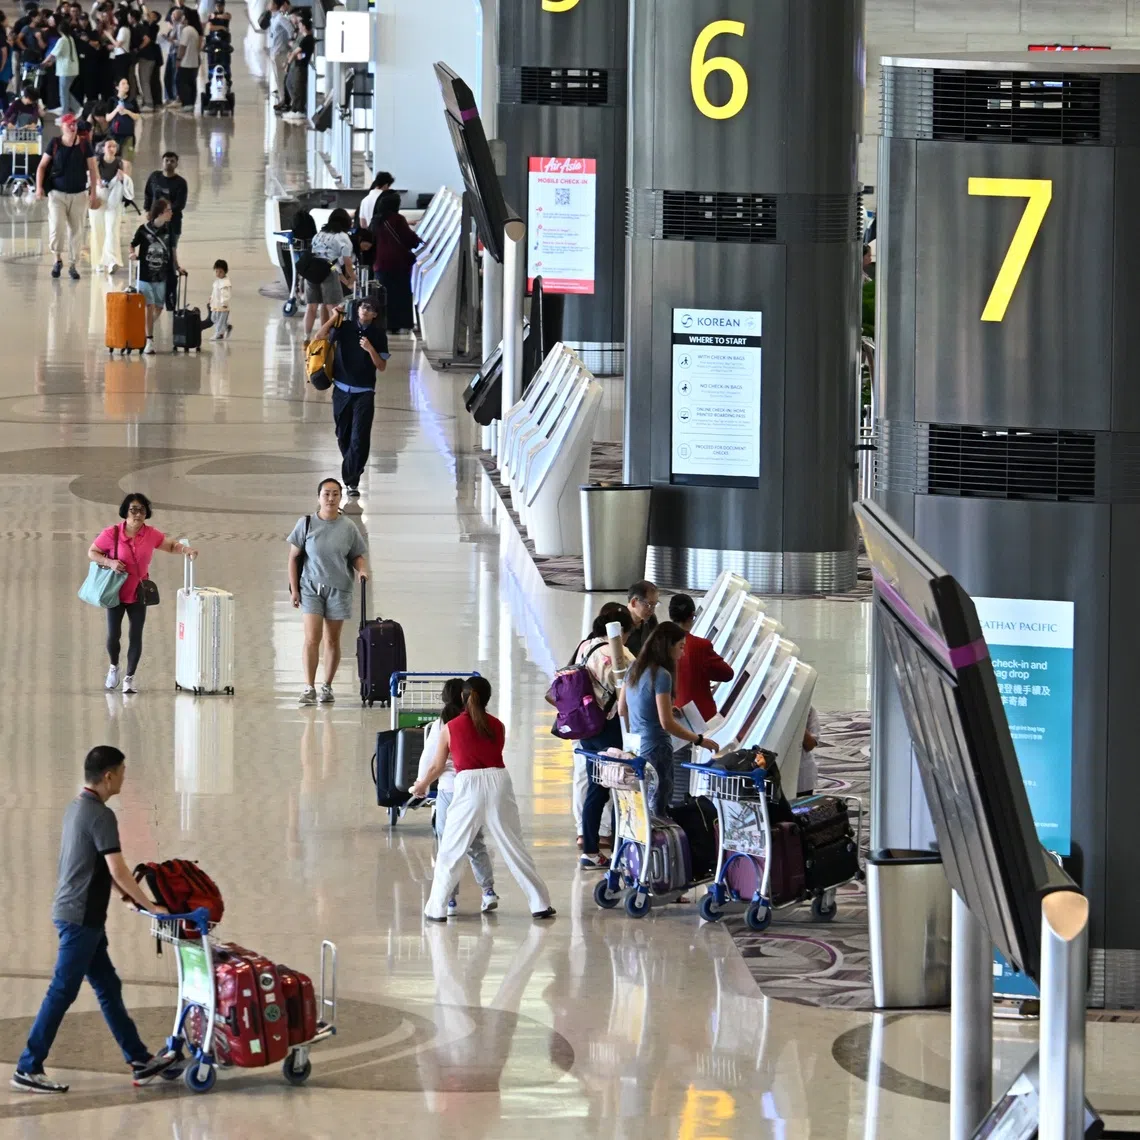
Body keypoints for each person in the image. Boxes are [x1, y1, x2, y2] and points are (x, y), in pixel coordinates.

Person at [10, 745, 182, 1094]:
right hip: (80, 919)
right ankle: (28, 1066)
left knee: (107, 987)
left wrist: (123, 896)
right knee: (62, 990)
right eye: (121, 771)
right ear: (108, 776)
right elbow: (116, 867)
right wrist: (150, 904)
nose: (123, 777)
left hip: (75, 913)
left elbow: (90, 865)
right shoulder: (102, 816)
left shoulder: (77, 808)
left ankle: (139, 1059)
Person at [412, 676, 556, 922]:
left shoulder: (450, 728)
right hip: (500, 782)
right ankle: (540, 903)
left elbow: (437, 766)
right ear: (487, 698)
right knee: (514, 846)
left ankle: (436, 909)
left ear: (462, 698)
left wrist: (421, 785)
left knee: (452, 849)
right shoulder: (498, 725)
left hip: (468, 786)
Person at [87, 493, 198, 692]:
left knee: (135, 634)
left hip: (139, 592)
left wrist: (185, 550)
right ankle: (114, 667)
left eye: (142, 510)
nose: (137, 514)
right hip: (115, 592)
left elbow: (171, 545)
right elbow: (92, 552)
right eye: (133, 509)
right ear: (125, 512)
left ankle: (129, 678)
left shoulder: (151, 534)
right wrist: (109, 562)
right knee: (113, 635)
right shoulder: (111, 533)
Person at [415, 677, 499, 916]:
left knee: (448, 846)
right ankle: (488, 891)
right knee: (475, 844)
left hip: (450, 791)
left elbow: (432, 763)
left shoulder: (445, 725)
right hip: (477, 791)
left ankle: (449, 899)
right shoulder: (483, 722)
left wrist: (421, 784)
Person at [618, 622, 720, 816]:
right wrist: (699, 740)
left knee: (641, 804)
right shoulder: (662, 675)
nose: (682, 653)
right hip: (657, 748)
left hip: (635, 747)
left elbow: (623, 708)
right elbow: (667, 723)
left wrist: (653, 713)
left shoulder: (633, 668)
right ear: (668, 646)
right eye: (680, 647)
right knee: (659, 805)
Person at [287, 477, 368, 706]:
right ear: (319, 497)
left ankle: (327, 686)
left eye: (335, 494)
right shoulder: (306, 524)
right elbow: (293, 558)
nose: (330, 498)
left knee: (332, 640)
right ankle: (309, 686)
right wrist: (295, 589)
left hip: (339, 589)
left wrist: (362, 570)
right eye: (326, 494)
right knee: (312, 638)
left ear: (340, 497)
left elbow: (357, 555)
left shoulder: (348, 527)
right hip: (311, 587)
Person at [565, 602, 633, 869]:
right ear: (623, 630)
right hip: (610, 727)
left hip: (587, 727)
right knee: (620, 787)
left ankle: (590, 849)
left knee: (597, 787)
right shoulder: (619, 653)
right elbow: (629, 691)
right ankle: (620, 847)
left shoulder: (586, 646)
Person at [311, 295, 389, 498]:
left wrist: (370, 349)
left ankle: (351, 481)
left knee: (359, 438)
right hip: (341, 391)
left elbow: (381, 366)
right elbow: (319, 337)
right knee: (342, 435)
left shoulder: (378, 334)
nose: (365, 310)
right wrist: (333, 316)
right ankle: (352, 466)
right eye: (363, 307)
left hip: (364, 393)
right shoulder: (344, 327)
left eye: (370, 309)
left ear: (375, 315)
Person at [36, 111, 98, 280]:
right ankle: (57, 259)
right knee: (57, 228)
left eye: (74, 123)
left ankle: (73, 265)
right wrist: (39, 187)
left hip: (79, 195)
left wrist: (94, 193)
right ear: (62, 127)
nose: (72, 126)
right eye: (69, 124)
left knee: (77, 231)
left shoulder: (85, 145)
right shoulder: (55, 143)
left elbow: (93, 169)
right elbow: (42, 166)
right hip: (57, 194)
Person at [129, 196, 184, 354]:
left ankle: (143, 329)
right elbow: (132, 244)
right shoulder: (143, 229)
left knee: (159, 307)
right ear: (160, 213)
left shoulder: (170, 229)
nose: (171, 213)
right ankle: (149, 340)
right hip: (145, 276)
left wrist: (177, 267)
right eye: (168, 210)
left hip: (162, 276)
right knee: (150, 305)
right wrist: (132, 254)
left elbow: (173, 250)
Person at [669, 593, 734, 724]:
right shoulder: (700, 645)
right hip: (700, 716)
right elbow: (727, 674)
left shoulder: (658, 643)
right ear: (692, 615)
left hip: (670, 714)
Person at [302, 205, 354, 342]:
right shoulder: (343, 237)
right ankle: (333, 338)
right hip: (328, 271)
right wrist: (353, 279)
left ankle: (306, 339)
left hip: (311, 272)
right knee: (334, 308)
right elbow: (346, 263)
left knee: (311, 307)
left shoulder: (318, 235)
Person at [372, 188, 421, 334]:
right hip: (398, 264)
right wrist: (417, 239)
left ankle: (384, 324)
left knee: (384, 295)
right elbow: (409, 239)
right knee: (400, 294)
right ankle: (401, 324)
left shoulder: (376, 220)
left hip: (380, 263)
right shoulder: (398, 219)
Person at [88, 133, 130, 273]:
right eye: (109, 146)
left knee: (112, 229)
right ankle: (99, 262)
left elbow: (127, 183)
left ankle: (112, 260)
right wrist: (97, 183)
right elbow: (91, 178)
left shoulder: (122, 163)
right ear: (103, 148)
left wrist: (123, 178)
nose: (111, 148)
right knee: (98, 230)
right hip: (99, 196)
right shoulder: (96, 161)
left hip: (114, 200)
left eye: (114, 146)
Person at [143, 150, 186, 246]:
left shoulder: (181, 183)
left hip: (173, 223)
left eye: (172, 161)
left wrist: (164, 214)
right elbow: (148, 194)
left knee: (170, 252)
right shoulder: (154, 177)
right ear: (162, 162)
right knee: (154, 249)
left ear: (176, 164)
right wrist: (147, 210)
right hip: (155, 222)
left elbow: (180, 204)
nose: (169, 163)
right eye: (166, 160)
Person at [280, 7, 311, 121]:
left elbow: (299, 53)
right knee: (290, 84)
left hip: (300, 65)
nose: (298, 24)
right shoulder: (300, 35)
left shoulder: (307, 38)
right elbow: (294, 51)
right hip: (295, 65)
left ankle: (298, 109)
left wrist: (290, 59)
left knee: (299, 87)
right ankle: (295, 106)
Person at [43, 16, 78, 112]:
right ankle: (78, 109)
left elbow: (52, 54)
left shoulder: (62, 40)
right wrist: (51, 62)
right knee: (65, 92)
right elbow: (59, 54)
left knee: (63, 94)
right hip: (73, 69)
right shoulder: (70, 38)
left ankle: (65, 115)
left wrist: (44, 62)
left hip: (65, 70)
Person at [104, 73, 137, 157]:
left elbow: (137, 116)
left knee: (128, 159)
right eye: (123, 83)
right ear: (117, 87)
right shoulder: (111, 100)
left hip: (129, 134)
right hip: (115, 135)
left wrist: (127, 112)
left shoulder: (132, 100)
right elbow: (107, 118)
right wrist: (116, 110)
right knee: (115, 157)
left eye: (127, 83)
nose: (126, 85)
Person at [266, 0, 290, 112]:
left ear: (275, 5)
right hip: (273, 52)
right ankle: (281, 99)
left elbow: (291, 30)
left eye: (270, 2)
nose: (268, 4)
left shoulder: (280, 18)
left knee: (281, 78)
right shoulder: (273, 18)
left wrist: (288, 47)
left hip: (280, 52)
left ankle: (284, 100)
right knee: (277, 78)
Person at [625, 579, 659, 657]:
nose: (652, 610)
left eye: (655, 605)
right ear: (634, 602)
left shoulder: (651, 620)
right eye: (649, 605)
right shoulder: (619, 622)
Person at [134, 8, 161, 108]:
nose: (149, 15)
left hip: (148, 57)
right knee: (143, 80)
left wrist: (138, 48)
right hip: (145, 57)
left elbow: (148, 39)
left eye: (152, 14)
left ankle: (149, 103)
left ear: (155, 18)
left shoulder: (154, 27)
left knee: (145, 80)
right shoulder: (145, 25)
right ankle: (146, 100)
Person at [173, 2, 196, 109]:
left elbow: (182, 46)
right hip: (193, 63)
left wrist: (178, 59)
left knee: (181, 82)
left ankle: (187, 104)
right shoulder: (194, 30)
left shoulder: (186, 30)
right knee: (191, 83)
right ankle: (191, 103)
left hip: (186, 63)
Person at [798, 707, 820, 797]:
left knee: (800, 809)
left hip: (801, 775)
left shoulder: (808, 709)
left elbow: (810, 745)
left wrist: (798, 722)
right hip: (770, 771)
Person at [207, 256, 231, 339]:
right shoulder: (217, 282)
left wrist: (224, 303)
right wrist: (211, 298)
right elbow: (214, 292)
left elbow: (225, 294)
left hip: (222, 306)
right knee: (213, 318)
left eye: (220, 272)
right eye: (216, 271)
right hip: (216, 304)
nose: (218, 273)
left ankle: (218, 334)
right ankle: (227, 327)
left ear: (225, 272)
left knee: (220, 321)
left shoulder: (225, 283)